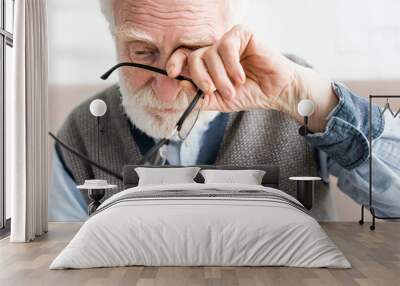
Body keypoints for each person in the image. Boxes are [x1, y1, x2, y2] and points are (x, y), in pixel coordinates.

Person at [49, 0, 400, 222]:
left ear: (230, 33)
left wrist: (303, 97)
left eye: (194, 50)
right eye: (141, 52)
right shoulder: (81, 133)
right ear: (114, 37)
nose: (169, 86)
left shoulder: (299, 101)